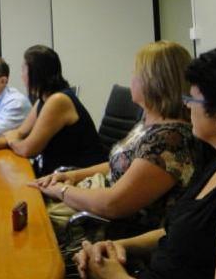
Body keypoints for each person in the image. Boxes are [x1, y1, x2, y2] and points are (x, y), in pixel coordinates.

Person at [73, 46, 216, 279]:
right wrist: (118, 246)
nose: (186, 105)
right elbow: (177, 233)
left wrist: (114, 275)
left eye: (192, 99)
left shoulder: (175, 139)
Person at [32, 42, 197, 237]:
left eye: (136, 73)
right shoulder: (149, 122)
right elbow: (121, 165)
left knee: (31, 229)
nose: (131, 78)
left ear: (156, 82)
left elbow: (113, 204)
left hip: (111, 232)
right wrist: (74, 176)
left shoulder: (170, 140)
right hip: (93, 206)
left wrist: (62, 191)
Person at [0, 45, 106, 176]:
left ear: (35, 73)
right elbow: (20, 132)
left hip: (80, 175)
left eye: (23, 70)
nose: (21, 76)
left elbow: (28, 149)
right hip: (57, 172)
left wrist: (11, 140)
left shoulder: (58, 100)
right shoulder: (44, 98)